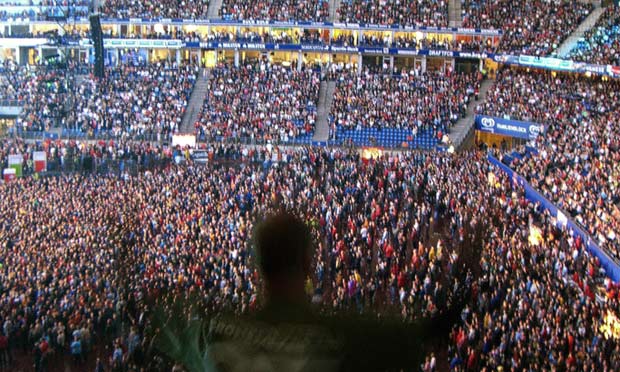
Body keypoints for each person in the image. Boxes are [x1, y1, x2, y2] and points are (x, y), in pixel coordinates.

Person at [206, 211, 467, 371]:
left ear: (258, 267)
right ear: (308, 264)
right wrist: (464, 285)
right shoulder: (341, 334)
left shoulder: (217, 333)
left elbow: (170, 321)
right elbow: (424, 332)